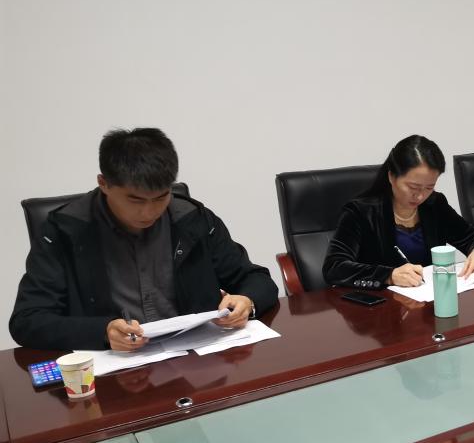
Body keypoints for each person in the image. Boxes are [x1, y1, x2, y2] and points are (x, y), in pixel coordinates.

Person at [10, 128, 279, 352]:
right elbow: (28, 321)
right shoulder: (64, 231)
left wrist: (247, 301)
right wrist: (102, 331)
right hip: (115, 366)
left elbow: (255, 278)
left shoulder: (192, 220)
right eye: (135, 200)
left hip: (194, 359)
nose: (149, 212)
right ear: (104, 183)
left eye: (161, 198)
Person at [323, 135, 474, 289]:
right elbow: (334, 267)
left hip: (428, 302)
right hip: (380, 308)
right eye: (413, 187)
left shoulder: (434, 204)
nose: (420, 196)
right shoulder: (360, 212)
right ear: (391, 176)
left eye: (429, 187)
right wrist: (389, 276)